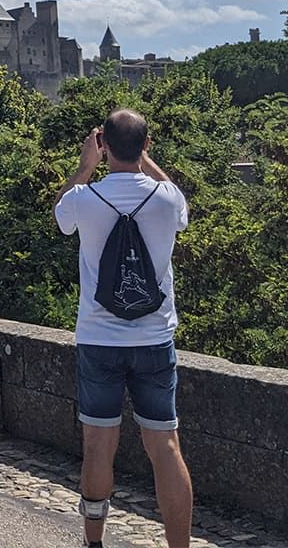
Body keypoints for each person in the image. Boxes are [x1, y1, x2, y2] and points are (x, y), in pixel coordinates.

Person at [54, 109, 192, 548]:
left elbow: (62, 219)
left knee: (98, 444)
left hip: (99, 339)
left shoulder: (83, 198)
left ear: (104, 145)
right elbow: (174, 197)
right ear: (147, 146)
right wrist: (144, 160)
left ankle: (93, 542)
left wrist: (85, 167)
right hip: (154, 339)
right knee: (165, 447)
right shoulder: (168, 199)